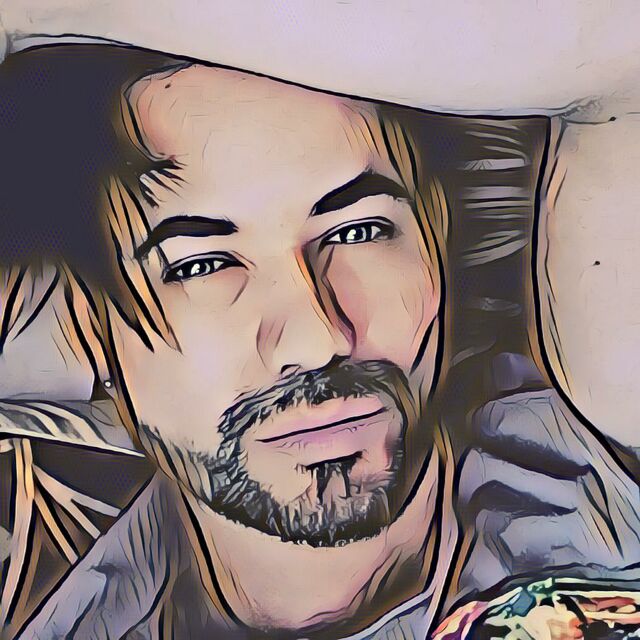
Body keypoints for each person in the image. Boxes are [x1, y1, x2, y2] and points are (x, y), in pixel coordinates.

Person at [0, 43, 457, 639]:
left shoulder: (568, 476)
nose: (317, 339)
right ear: (89, 329)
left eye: (358, 230)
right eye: (202, 266)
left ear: (435, 234)